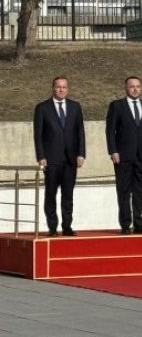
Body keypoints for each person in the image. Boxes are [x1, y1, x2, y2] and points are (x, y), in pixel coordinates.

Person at [105, 76, 142, 234]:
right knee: (123, 190)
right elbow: (110, 131)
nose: (135, 89)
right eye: (131, 86)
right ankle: (125, 224)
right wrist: (113, 150)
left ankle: (138, 223)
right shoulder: (117, 106)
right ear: (126, 88)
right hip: (122, 156)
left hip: (141, 155)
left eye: (138, 86)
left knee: (139, 190)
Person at [33, 76, 86, 237]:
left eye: (64, 87)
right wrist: (41, 156)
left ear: (67, 89)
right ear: (53, 88)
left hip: (71, 159)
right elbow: (38, 135)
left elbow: (80, 132)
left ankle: (67, 227)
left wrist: (81, 154)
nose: (61, 89)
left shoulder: (75, 107)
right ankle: (53, 228)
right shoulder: (42, 108)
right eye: (58, 87)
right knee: (51, 195)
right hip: (51, 159)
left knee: (68, 195)